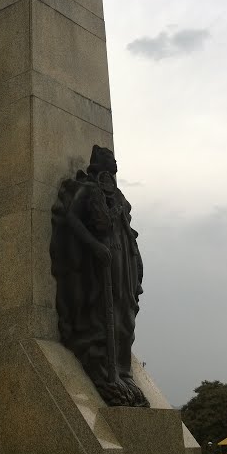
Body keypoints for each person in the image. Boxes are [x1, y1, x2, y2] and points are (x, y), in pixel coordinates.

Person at [50, 145, 148, 407]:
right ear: (100, 169)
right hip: (104, 259)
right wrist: (94, 245)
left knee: (126, 314)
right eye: (109, 169)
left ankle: (124, 372)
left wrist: (136, 262)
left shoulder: (116, 196)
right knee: (110, 314)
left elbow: (128, 230)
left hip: (123, 260)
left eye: (114, 171)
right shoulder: (90, 189)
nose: (112, 175)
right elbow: (71, 217)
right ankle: (108, 371)